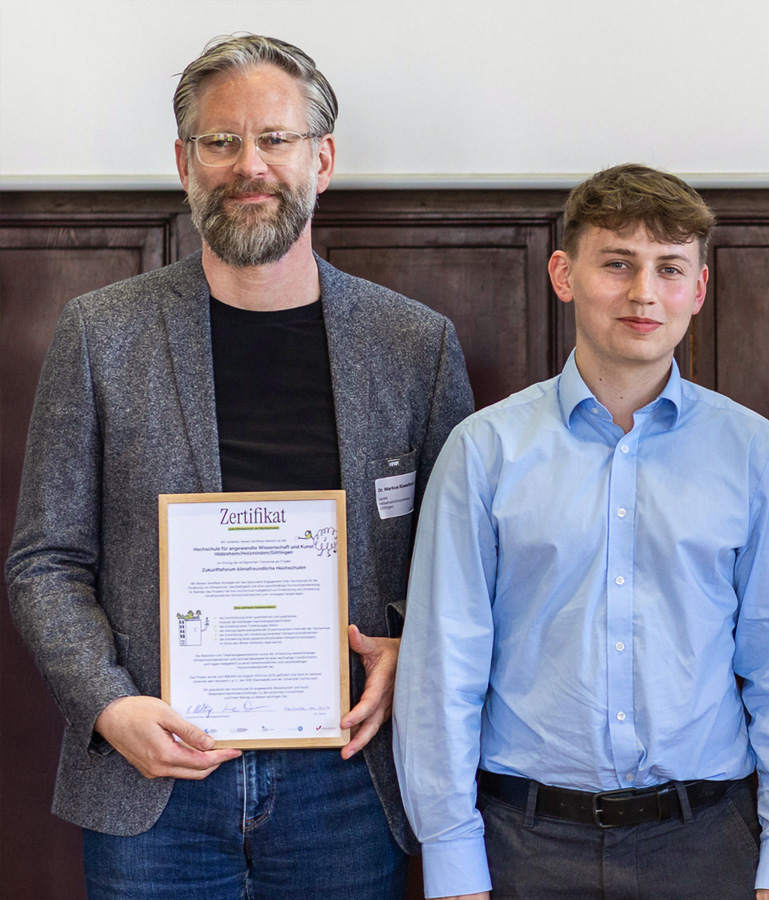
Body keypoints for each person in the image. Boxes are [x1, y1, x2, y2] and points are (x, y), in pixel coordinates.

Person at [5, 34, 474, 899]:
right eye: (220, 142)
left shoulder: (414, 344)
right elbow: (45, 562)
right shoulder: (100, 334)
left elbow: (460, 564)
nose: (248, 165)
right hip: (156, 781)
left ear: (321, 159)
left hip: (346, 780)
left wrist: (411, 647)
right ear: (184, 162)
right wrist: (109, 708)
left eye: (275, 140)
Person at [392, 163, 769, 900]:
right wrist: (451, 859)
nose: (643, 293)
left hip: (708, 842)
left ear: (697, 289)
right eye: (617, 264)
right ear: (564, 274)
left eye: (669, 269)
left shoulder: (754, 453)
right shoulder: (485, 451)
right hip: (522, 843)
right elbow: (443, 669)